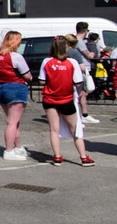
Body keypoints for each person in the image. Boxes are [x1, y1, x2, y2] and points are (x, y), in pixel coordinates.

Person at [38, 37, 95, 166]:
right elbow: (78, 82)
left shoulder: (47, 61)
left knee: (54, 129)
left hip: (49, 98)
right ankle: (83, 157)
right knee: (75, 129)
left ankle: (57, 157)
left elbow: (42, 81)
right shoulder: (72, 62)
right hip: (66, 99)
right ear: (66, 48)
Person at [0, 31, 33, 160]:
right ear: (15, 42)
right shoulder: (16, 57)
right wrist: (30, 78)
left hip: (0, 87)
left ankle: (19, 147)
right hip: (15, 87)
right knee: (12, 122)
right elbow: (27, 76)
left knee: (13, 121)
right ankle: (9, 151)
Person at [63, 34, 99, 123]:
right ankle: (77, 118)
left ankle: (84, 115)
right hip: (76, 77)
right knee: (76, 97)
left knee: (80, 95)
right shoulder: (73, 52)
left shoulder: (62, 51)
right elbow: (82, 67)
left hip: (66, 76)